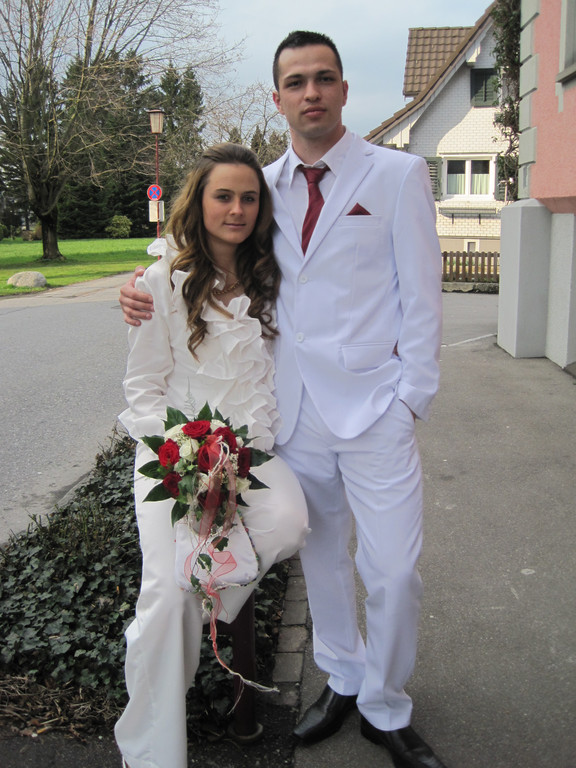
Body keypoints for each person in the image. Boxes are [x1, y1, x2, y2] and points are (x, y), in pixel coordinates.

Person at [120, 31, 447, 768]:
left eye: (324, 78)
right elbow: (203, 263)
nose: (311, 92)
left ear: (343, 89)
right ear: (278, 98)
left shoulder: (397, 174)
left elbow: (422, 296)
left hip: (377, 409)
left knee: (394, 571)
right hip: (292, 415)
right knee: (322, 560)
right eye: (296, 82)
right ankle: (342, 677)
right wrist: (138, 292)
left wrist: (411, 398)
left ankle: (387, 705)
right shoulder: (260, 186)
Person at [115, 142, 309, 768]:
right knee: (166, 596)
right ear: (198, 202)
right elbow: (143, 390)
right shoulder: (160, 281)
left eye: (249, 198)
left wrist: (232, 461)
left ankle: (190, 605)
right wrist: (185, 456)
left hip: (247, 456)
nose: (237, 209)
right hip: (172, 457)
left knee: (290, 521)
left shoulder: (272, 276)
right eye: (223, 196)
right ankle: (153, 753)